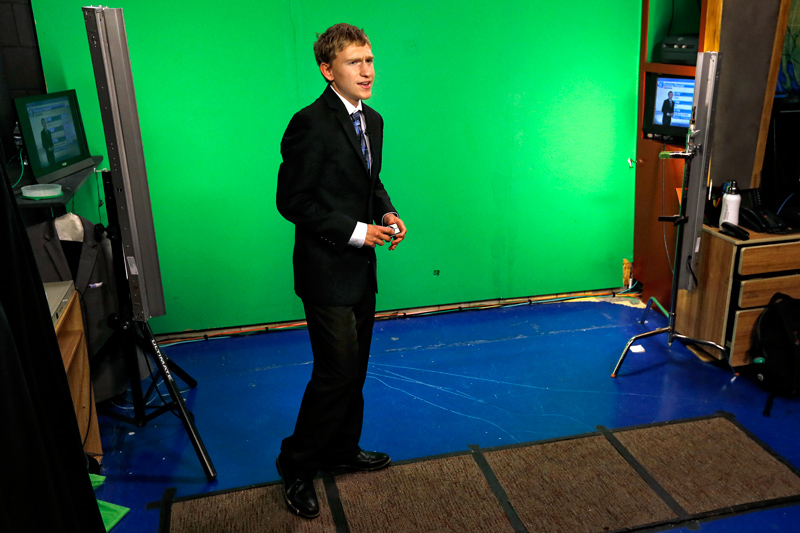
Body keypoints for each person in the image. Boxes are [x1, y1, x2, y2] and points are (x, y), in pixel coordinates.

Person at [275, 22, 407, 519]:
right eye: (356, 62)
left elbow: (368, 181)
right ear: (328, 70)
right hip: (325, 270)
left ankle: (341, 449)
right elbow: (293, 201)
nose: (367, 70)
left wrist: (386, 211)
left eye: (370, 60)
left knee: (356, 370)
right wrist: (357, 231)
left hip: (360, 268)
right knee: (336, 373)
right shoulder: (308, 123)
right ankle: (296, 465)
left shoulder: (370, 119)